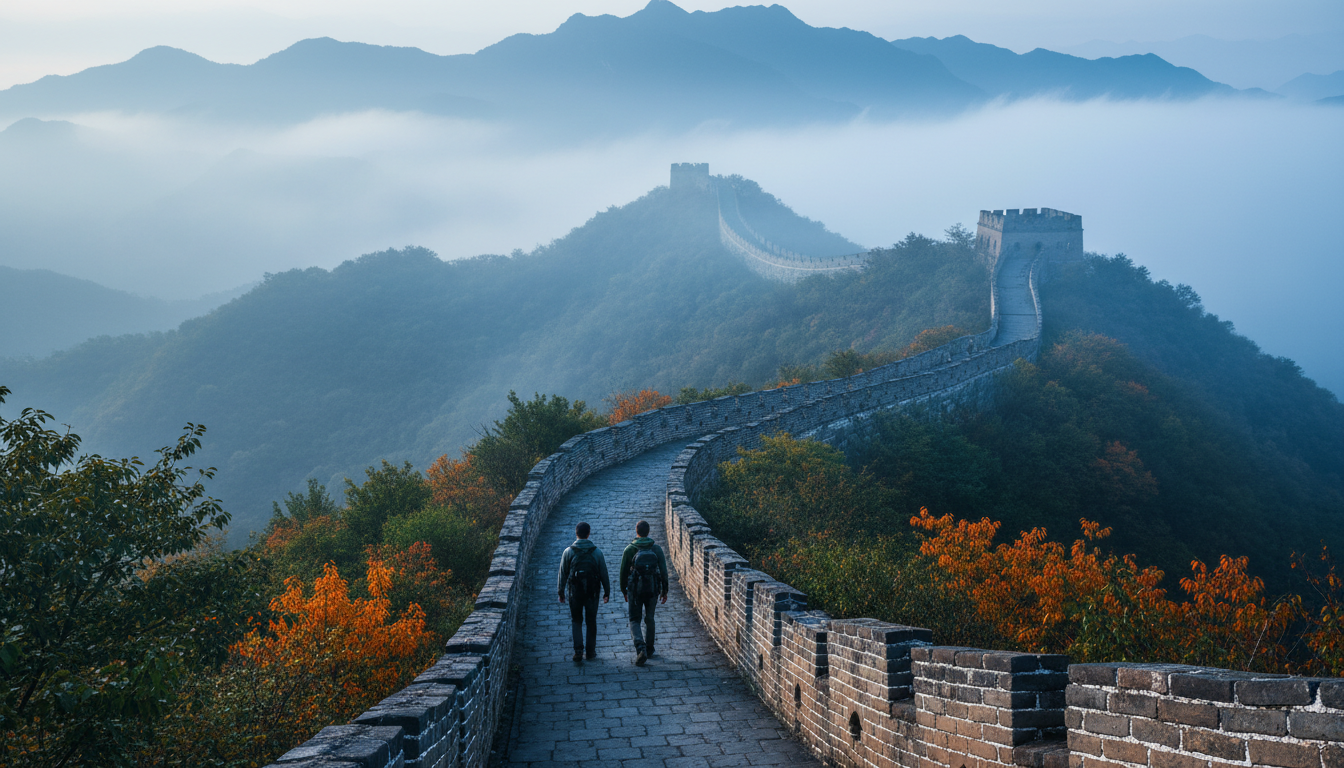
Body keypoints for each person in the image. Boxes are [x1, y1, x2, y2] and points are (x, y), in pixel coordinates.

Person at [557, 521, 610, 663]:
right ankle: (591, 652)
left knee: (576, 620)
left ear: (576, 534)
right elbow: (603, 573)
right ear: (588, 533)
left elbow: (562, 574)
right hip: (593, 592)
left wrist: (561, 592)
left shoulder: (568, 552)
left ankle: (578, 650)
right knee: (591, 621)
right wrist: (607, 592)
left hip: (575, 592)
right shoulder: (597, 552)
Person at [619, 520, 668, 666]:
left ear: (636, 531)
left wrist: (624, 590)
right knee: (650, 618)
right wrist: (665, 590)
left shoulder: (629, 549)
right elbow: (664, 572)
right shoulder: (656, 549)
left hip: (635, 591)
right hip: (653, 589)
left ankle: (640, 647)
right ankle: (650, 648)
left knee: (634, 619)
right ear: (648, 532)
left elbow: (623, 573)